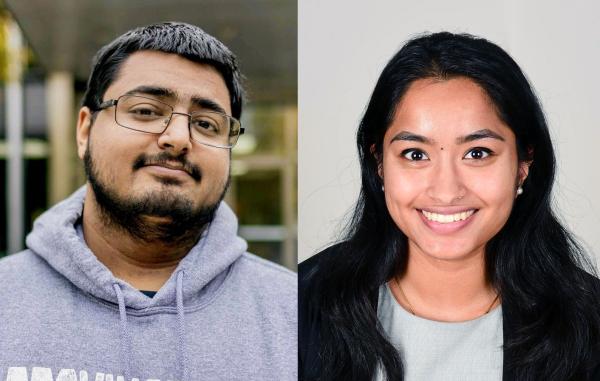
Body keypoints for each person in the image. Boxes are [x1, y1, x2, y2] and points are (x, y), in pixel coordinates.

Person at [0, 22, 296, 381]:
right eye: (145, 111)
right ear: (85, 131)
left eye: (206, 124)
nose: (177, 138)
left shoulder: (297, 316)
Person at [299, 32, 600, 381]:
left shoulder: (589, 323)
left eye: (477, 153)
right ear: (379, 163)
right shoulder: (301, 305)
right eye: (415, 154)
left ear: (524, 163)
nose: (446, 190)